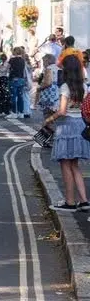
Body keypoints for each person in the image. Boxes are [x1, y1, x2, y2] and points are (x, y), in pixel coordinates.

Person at [46, 55, 90, 211]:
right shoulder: (84, 87)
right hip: (81, 124)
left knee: (65, 164)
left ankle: (70, 202)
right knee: (75, 165)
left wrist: (49, 118)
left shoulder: (65, 87)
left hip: (67, 126)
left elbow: (63, 111)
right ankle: (84, 201)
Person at [7, 46, 28, 118]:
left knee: (13, 96)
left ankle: (14, 112)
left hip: (13, 79)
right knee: (20, 96)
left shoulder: (12, 60)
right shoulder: (23, 60)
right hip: (21, 79)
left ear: (14, 52)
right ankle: (21, 112)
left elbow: (7, 68)